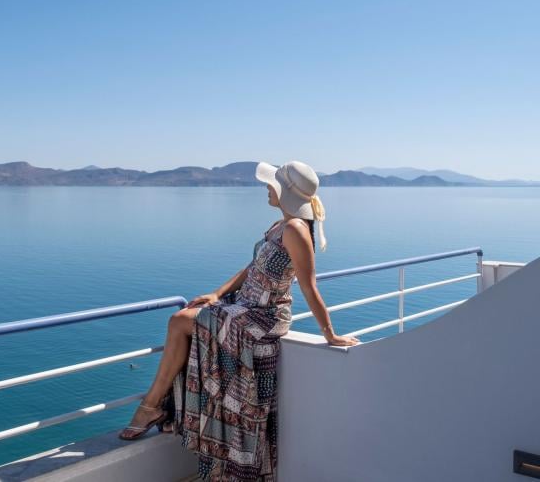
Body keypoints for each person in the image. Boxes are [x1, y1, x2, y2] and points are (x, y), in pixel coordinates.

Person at [118, 160, 360, 481]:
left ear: (284, 192)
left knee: (179, 321)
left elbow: (309, 286)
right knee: (181, 321)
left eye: (270, 185)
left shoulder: (296, 231)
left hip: (263, 316)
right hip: (246, 304)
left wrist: (330, 334)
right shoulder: (280, 225)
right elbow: (252, 268)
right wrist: (217, 293)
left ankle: (152, 407)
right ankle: (157, 407)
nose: (265, 189)